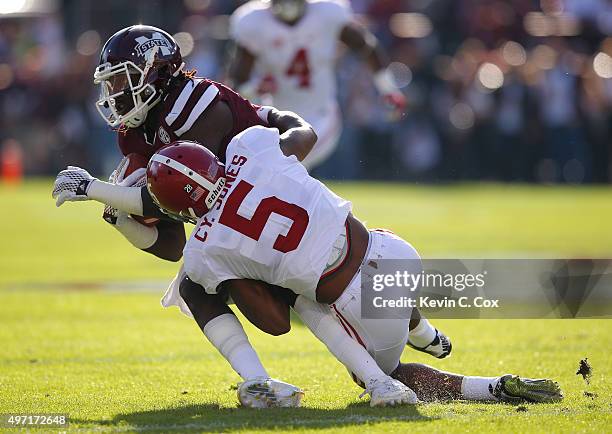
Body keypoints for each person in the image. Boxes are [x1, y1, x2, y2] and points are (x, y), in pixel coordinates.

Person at [142, 126, 563, 405]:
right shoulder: (247, 147)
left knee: (304, 297)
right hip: (397, 255)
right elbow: (304, 133)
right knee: (348, 236)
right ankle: (426, 332)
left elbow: (274, 324)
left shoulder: (203, 249)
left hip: (355, 305)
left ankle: (479, 388)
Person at [228, 0, 407, 170]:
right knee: (277, 168)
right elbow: (237, 83)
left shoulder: (327, 13)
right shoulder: (253, 21)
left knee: (283, 163)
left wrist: (387, 87)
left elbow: (364, 45)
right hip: (277, 119)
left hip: (320, 116)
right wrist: (255, 87)